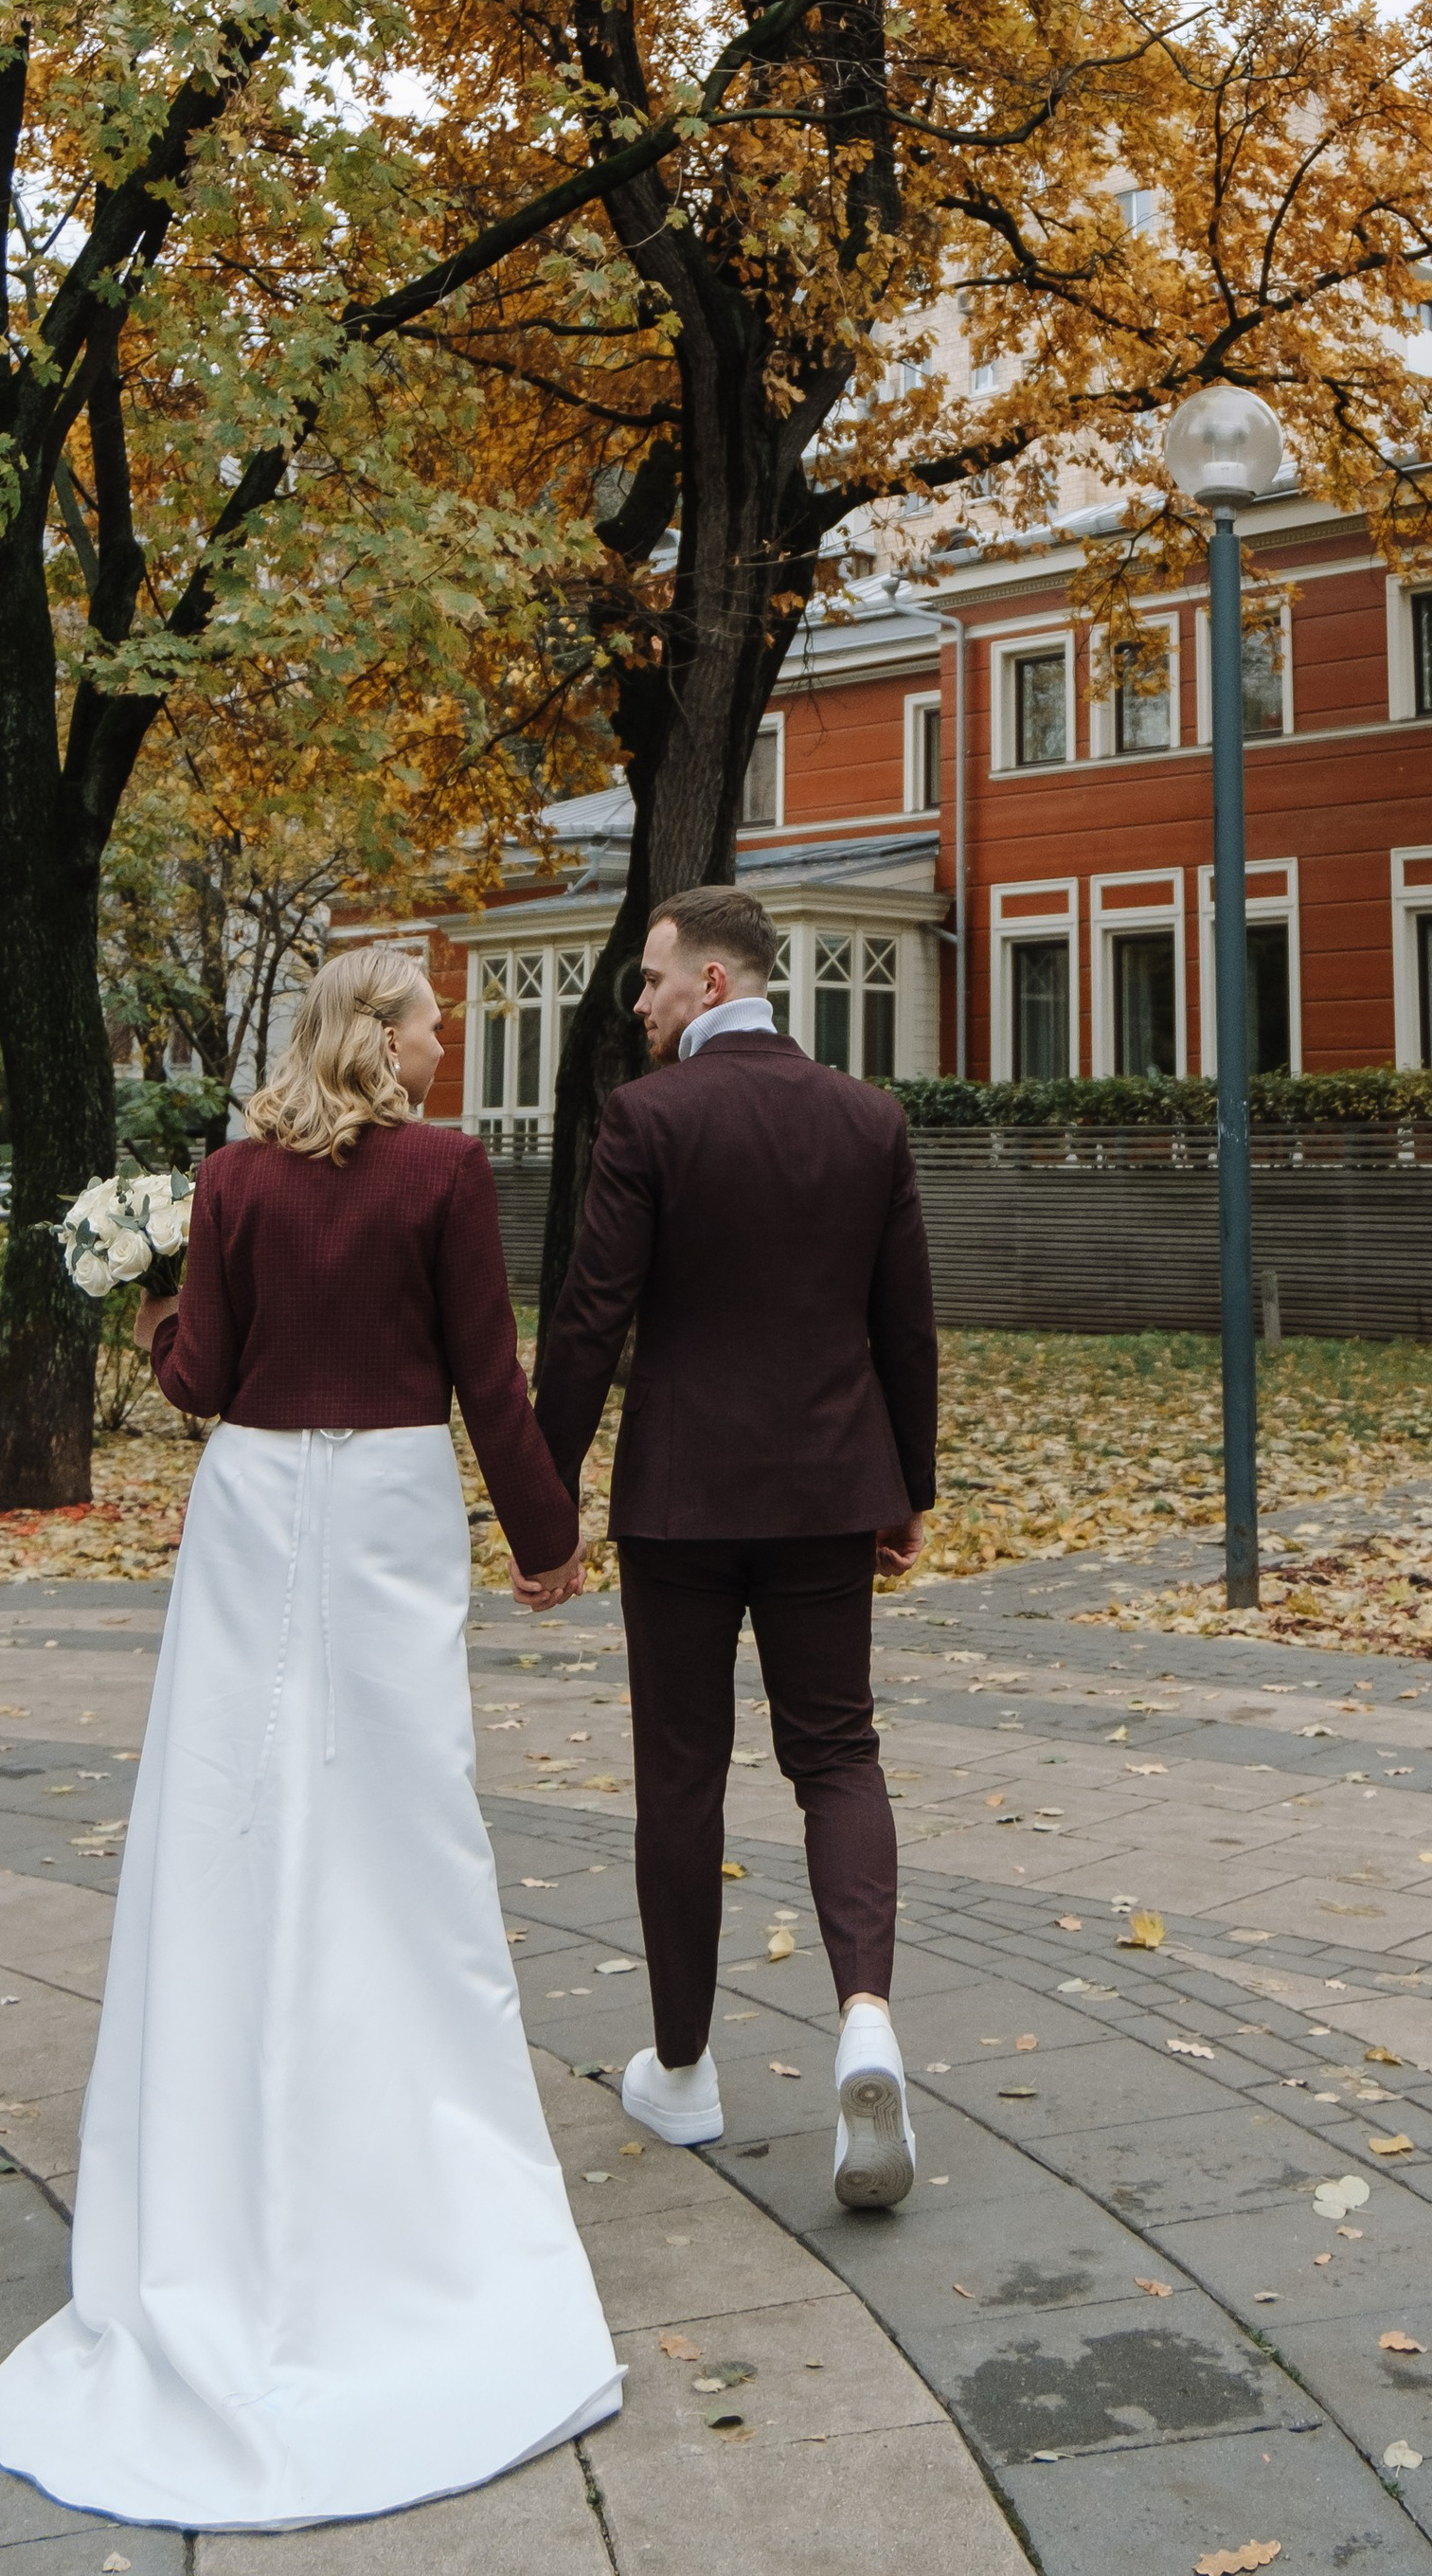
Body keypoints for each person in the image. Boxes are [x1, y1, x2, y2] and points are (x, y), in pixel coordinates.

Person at [0, 945, 621, 2531]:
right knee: (408, 1814)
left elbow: (201, 1379)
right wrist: (547, 1531)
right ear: (375, 1039)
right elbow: (488, 1372)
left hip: (257, 1502)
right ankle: (405, 2112)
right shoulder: (446, 1171)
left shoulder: (234, 1180)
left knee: (238, 1799)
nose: (445, 1035)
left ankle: (233, 2069)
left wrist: (150, 1314)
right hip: (393, 1506)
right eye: (427, 1017)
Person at [535, 882, 938, 2211]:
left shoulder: (649, 1120)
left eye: (651, 980)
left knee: (682, 1770)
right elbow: (906, 1325)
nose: (636, 1003)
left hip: (681, 1501)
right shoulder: (868, 1117)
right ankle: (866, 2014)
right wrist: (908, 1485)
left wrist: (545, 1498)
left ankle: (687, 2067)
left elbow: (592, 1320)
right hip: (831, 1488)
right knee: (837, 1750)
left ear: (714, 983)